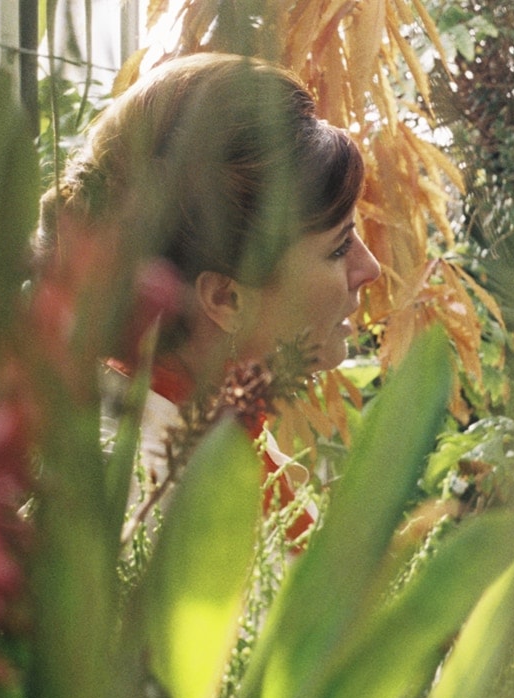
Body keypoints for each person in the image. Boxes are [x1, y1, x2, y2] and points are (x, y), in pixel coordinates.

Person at [37, 52, 382, 529]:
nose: (371, 268)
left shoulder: (201, 428)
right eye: (339, 247)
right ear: (225, 298)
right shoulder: (146, 494)